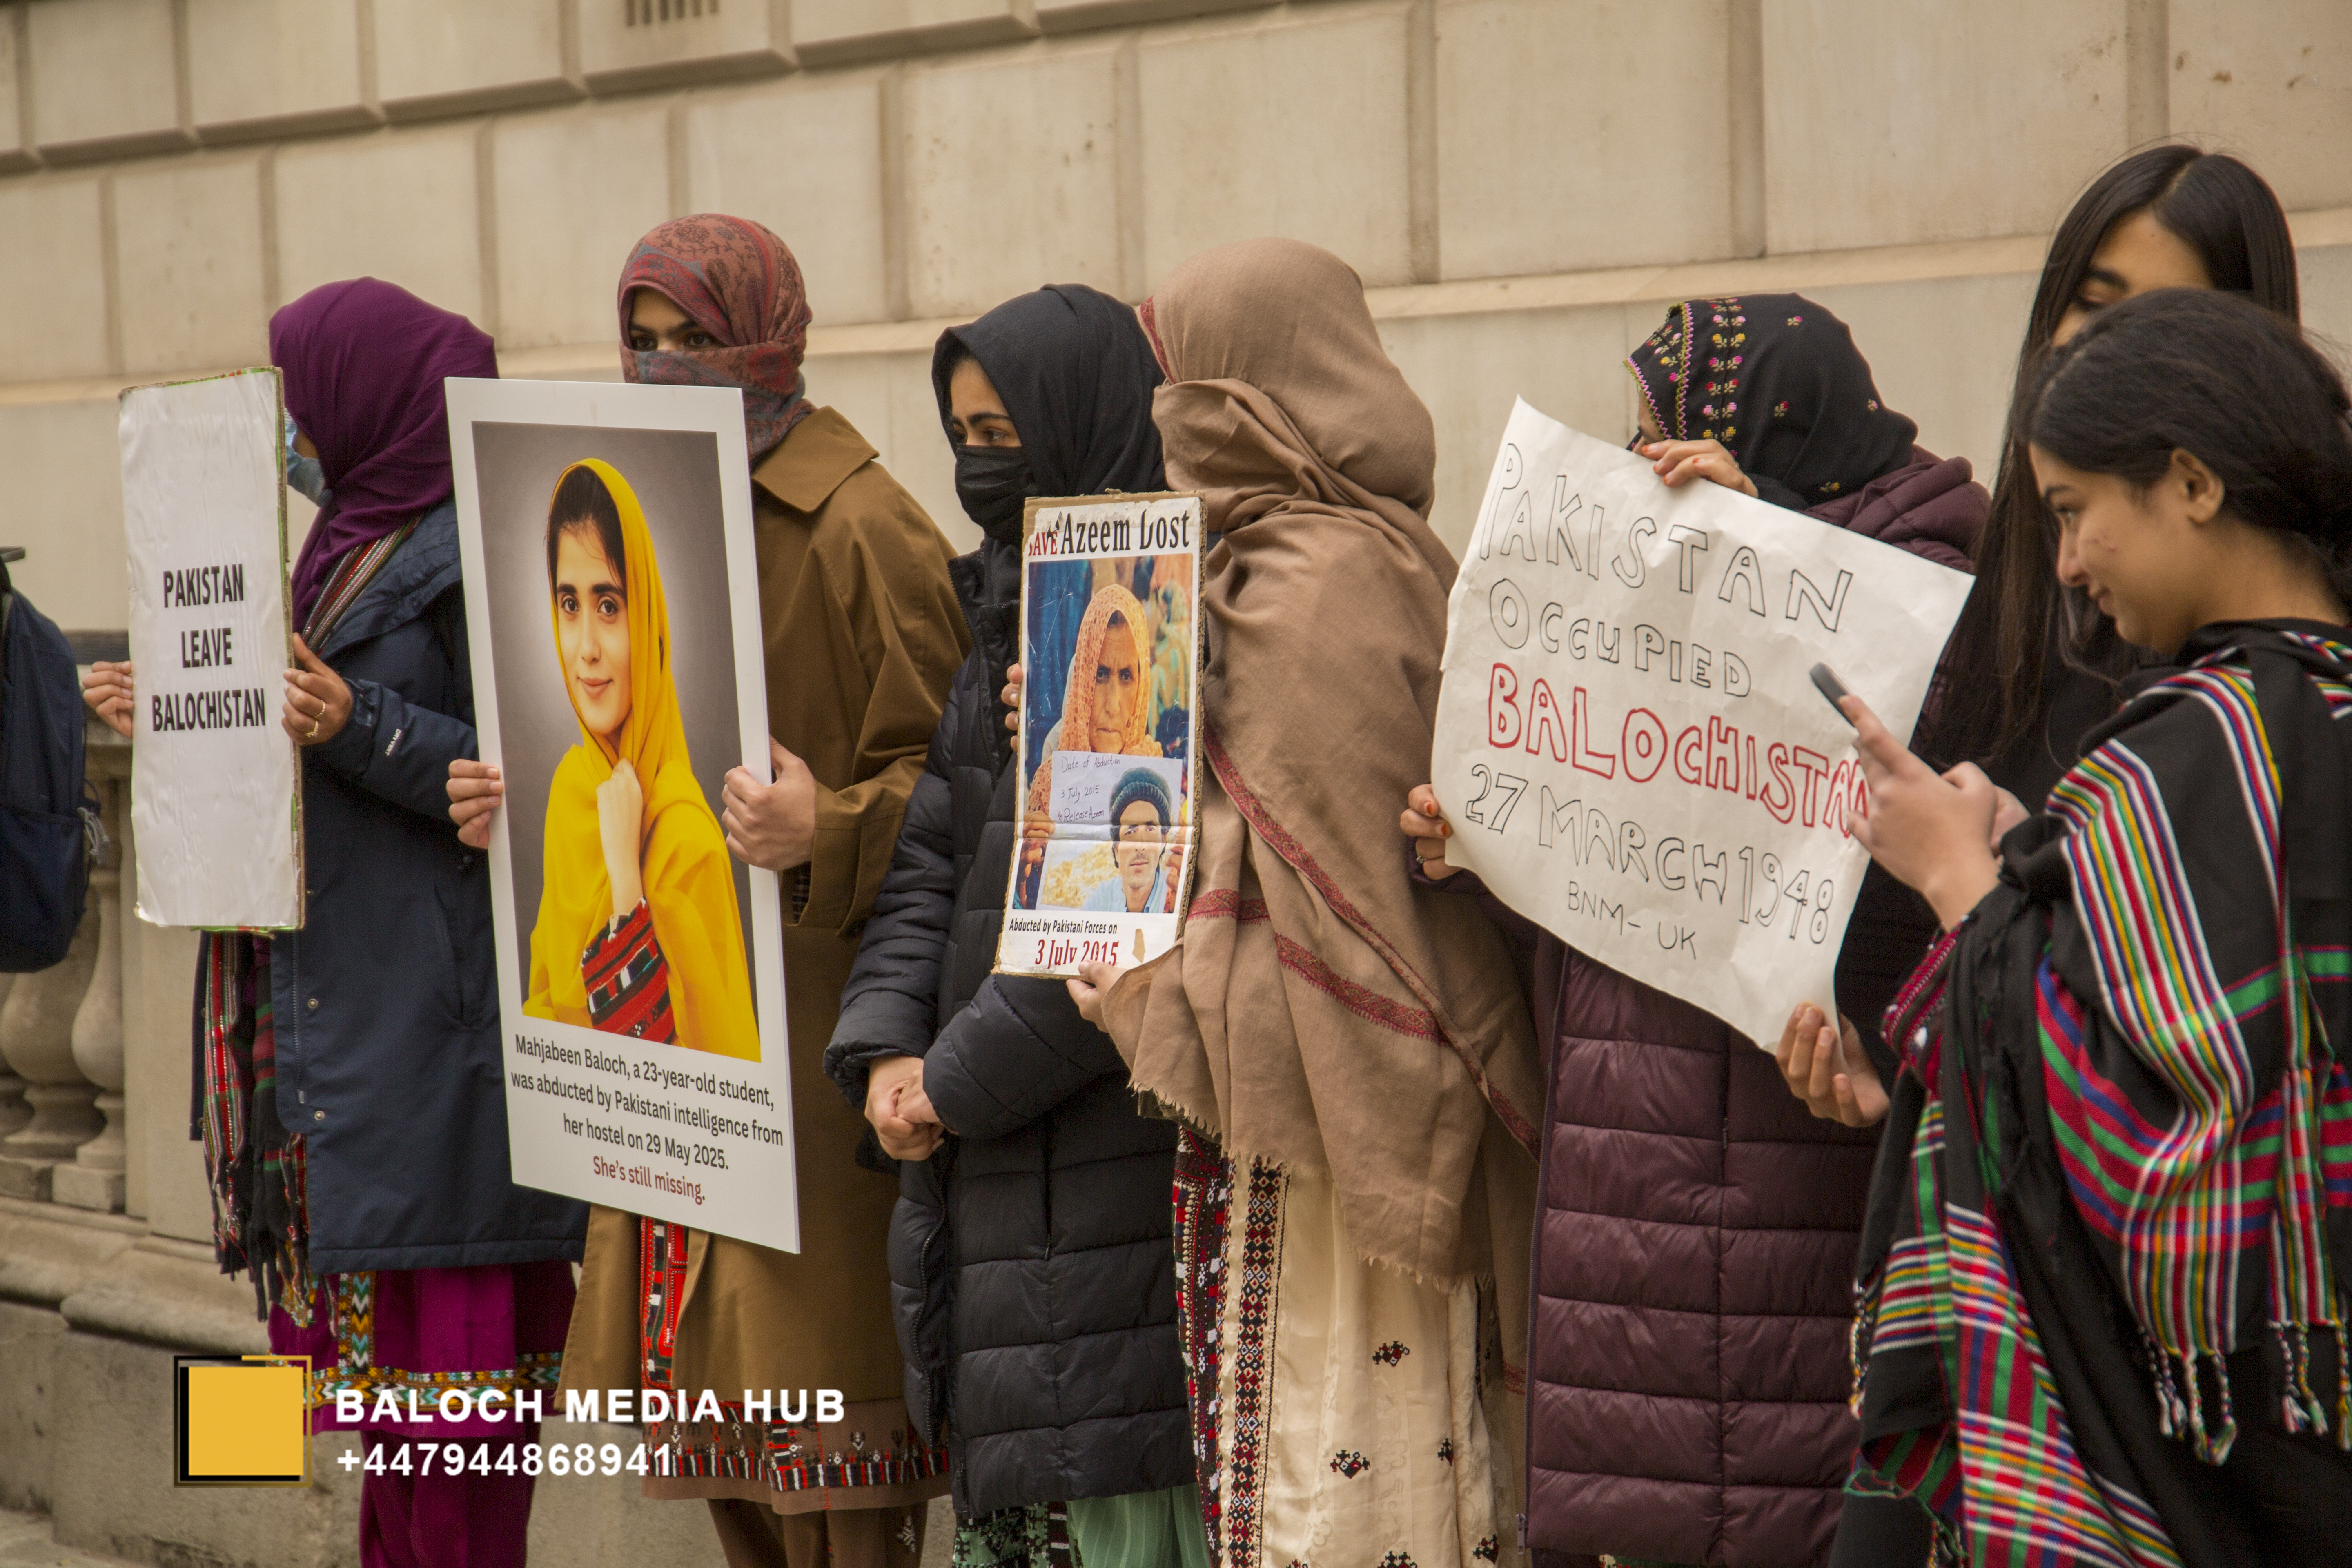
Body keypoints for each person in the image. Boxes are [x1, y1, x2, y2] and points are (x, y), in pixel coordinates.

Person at [1403, 293, 1987, 1566]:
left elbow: (1907, 856)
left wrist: (1771, 554)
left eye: (1682, 436)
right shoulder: (1646, 578)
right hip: (1625, 1179)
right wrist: (1489, 839)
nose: (1651, 469)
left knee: (1782, 1506)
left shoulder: (1927, 589)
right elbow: (1624, 820)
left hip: (1790, 1162)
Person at [1789, 287, 2352, 1565]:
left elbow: (2128, 1124)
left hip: (2190, 1463)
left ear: (2194, 483)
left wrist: (1960, 886)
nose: (2068, 565)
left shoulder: (2188, 753)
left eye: (2072, 510)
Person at [449, 215, 968, 1568]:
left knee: (839, 1482)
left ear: (775, 337)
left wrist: (826, 827)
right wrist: (506, 804)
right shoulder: (634, 513)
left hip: (812, 1057)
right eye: (645, 338)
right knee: (732, 1457)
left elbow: (977, 790)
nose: (667, 366)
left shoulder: (866, 528)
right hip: (674, 1078)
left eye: (698, 338)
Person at [87, 278, 588, 1568]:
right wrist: (187, 701)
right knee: (387, 1426)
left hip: (443, 1049)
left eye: (309, 402)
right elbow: (296, 726)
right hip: (347, 1043)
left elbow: (555, 768)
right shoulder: (342, 541)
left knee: (458, 1436)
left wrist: (354, 725)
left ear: (376, 400)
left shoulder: (498, 542)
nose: (295, 432)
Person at [1069, 238, 1543, 1568]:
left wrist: (1149, 992)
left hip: (1345, 1158)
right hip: (1277, 1134)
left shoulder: (1321, 586)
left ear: (1252, 392)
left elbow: (1355, 920)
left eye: (1192, 384)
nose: (1172, 421)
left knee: (1335, 1492)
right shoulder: (1284, 570)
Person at [825, 283, 1204, 1568]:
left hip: (1097, 1182)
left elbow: (1103, 928)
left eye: (1005, 433)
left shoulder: (1148, 620)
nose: (982, 464)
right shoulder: (992, 610)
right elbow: (928, 854)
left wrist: (946, 1082)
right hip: (986, 1174)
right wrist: (883, 1049)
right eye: (965, 433)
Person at [1919, 145, 2302, 802]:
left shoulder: (2276, 690)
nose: (2113, 352)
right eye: (2095, 304)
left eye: (2162, 324)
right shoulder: (2003, 570)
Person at [523, 459, 757, 1055]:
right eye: (569, 605)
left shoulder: (685, 837)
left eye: (609, 606)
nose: (586, 650)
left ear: (649, 619)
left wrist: (627, 882)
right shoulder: (570, 790)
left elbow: (697, 1091)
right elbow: (541, 1018)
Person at [1081, 770, 1175, 913]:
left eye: (1150, 829)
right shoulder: (1100, 900)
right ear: (1117, 850)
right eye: (1130, 832)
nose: (1140, 845)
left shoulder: (1173, 894)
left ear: (1163, 842)